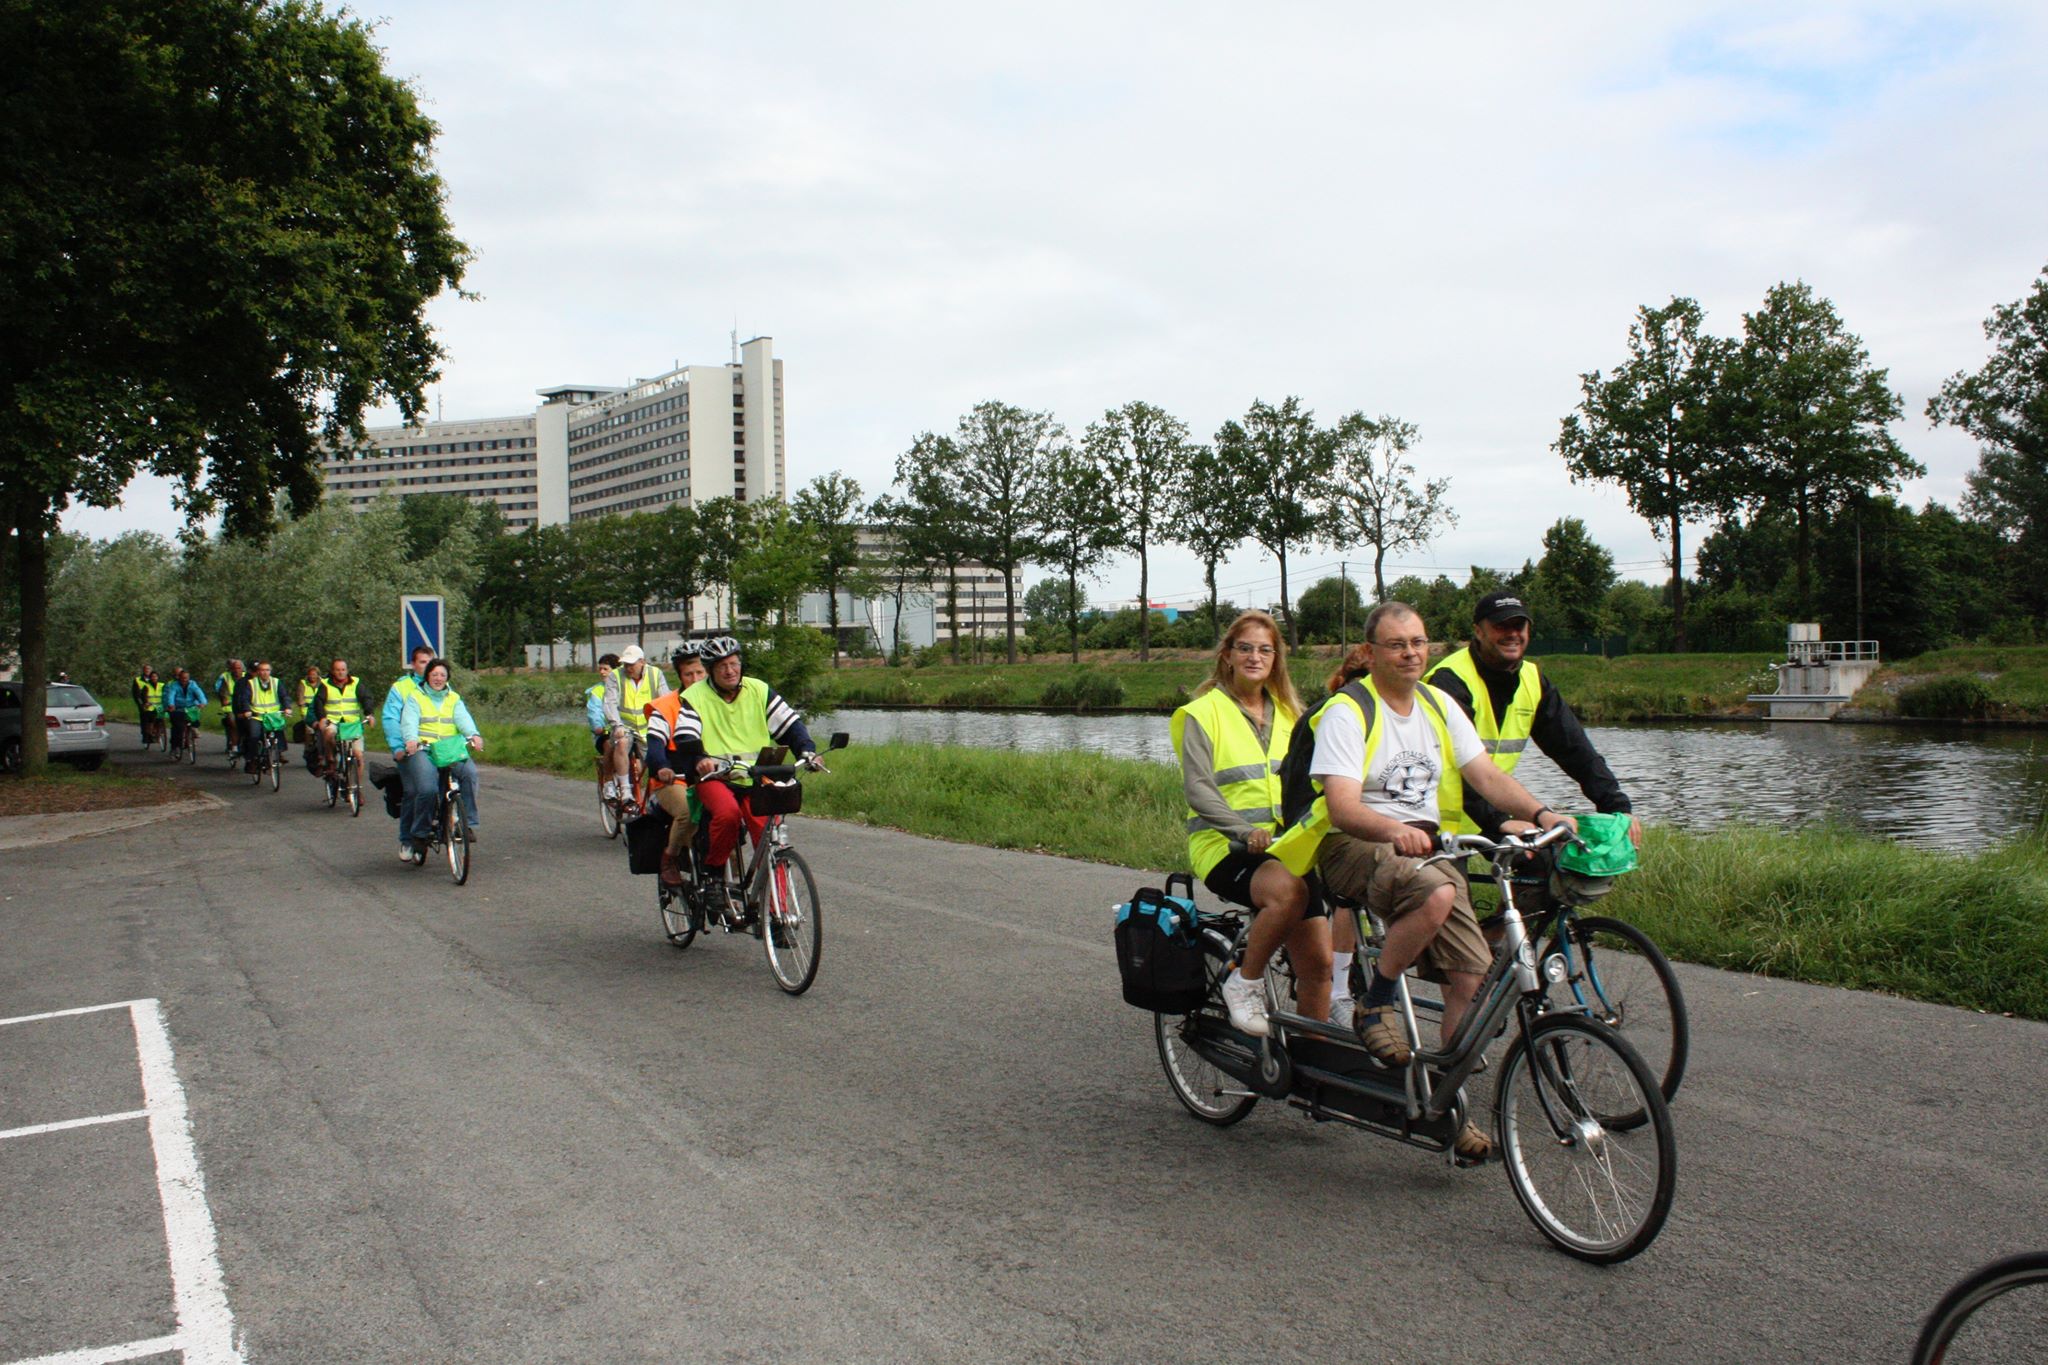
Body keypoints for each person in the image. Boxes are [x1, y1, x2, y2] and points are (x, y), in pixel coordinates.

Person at [1270, 602, 1573, 1163]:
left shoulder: (1438, 704)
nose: (1410, 653)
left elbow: (1483, 774)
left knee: (1471, 975)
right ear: (1370, 653)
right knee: (1439, 891)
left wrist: (1544, 815)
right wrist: (1395, 829)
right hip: (1355, 844)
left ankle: (1444, 1104)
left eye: (1418, 642)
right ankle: (1375, 1001)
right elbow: (1340, 808)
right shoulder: (1347, 711)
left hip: (1426, 850)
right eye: (1396, 644)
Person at [1169, 610, 1330, 1038]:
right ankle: (1245, 980)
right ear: (1228, 656)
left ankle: (1313, 1062)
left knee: (1319, 962)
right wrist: (1243, 831)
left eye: (1265, 649)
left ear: (1276, 659)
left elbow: (1311, 783)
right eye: (1246, 648)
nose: (1255, 657)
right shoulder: (1203, 714)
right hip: (1225, 848)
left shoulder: (1293, 715)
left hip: (1286, 848)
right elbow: (1199, 790)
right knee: (1288, 893)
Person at [1425, 591, 1639, 850]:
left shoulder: (1532, 680)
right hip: (1437, 822)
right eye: (1500, 626)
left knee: (1555, 862)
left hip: (1493, 810)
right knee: (1448, 890)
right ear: (1478, 632)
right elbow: (1454, 765)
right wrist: (1499, 821)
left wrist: (1615, 805)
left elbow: (1575, 749)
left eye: (1519, 625)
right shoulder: (1449, 680)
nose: (1512, 633)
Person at [668, 637, 817, 912]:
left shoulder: (758, 690)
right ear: (711, 669)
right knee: (727, 815)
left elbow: (789, 725)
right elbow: (686, 733)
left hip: (755, 777)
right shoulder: (695, 696)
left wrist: (807, 751)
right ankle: (713, 875)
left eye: (734, 663)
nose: (730, 670)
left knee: (767, 832)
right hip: (716, 778)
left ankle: (778, 914)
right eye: (723, 665)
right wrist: (700, 758)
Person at [642, 643, 710, 887]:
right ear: (680, 676)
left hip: (711, 777)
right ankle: (669, 858)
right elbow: (655, 743)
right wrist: (661, 765)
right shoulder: (666, 706)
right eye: (688, 674)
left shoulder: (717, 701)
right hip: (674, 778)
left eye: (700, 672)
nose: (695, 678)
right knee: (688, 812)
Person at [398, 658, 484, 850]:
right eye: (434, 674)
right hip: (424, 749)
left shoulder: (453, 698)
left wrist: (474, 735)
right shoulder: (416, 697)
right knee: (427, 789)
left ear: (447, 678)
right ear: (427, 675)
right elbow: (409, 721)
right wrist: (411, 740)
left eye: (442, 675)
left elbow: (464, 720)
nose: (438, 678)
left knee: (470, 774)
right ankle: (420, 832)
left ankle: (467, 823)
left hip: (450, 749)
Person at [383, 645, 434, 860]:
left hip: (436, 747)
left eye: (430, 662)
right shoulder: (401, 688)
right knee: (413, 792)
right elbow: (390, 718)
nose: (428, 666)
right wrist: (398, 747)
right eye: (423, 662)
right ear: (413, 664)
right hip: (410, 748)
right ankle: (407, 839)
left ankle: (454, 822)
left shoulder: (440, 684)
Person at [601, 644, 670, 804]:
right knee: (621, 743)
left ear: (642, 662)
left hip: (648, 727)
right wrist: (616, 725)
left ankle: (655, 798)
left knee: (654, 761)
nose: (628, 667)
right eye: (625, 664)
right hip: (625, 725)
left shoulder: (655, 674)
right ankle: (624, 790)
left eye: (631, 664)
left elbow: (665, 700)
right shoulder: (616, 676)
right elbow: (609, 703)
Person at [312, 658, 369, 783]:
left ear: (347, 670)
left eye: (343, 669)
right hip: (333, 721)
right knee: (328, 732)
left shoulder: (356, 683)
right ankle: (331, 758)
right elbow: (319, 702)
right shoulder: (325, 684)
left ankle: (357, 789)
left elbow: (366, 698)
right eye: (337, 670)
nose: (340, 672)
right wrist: (322, 718)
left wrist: (369, 714)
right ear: (333, 671)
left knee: (358, 756)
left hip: (351, 724)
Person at [232, 660, 293, 773]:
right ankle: (253, 759)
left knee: (279, 731)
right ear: (258, 672)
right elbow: (245, 698)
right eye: (262, 670)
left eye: (267, 670)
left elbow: (284, 696)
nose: (264, 673)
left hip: (273, 715)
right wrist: (247, 710)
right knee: (254, 735)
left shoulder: (276, 682)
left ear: (270, 671)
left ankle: (277, 753)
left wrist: (287, 707)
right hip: (257, 716)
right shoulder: (251, 683)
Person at [163, 667, 207, 755]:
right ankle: (176, 747)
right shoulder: (174, 685)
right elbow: (171, 695)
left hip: (190, 707)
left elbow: (200, 694)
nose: (184, 680)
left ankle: (193, 729)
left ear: (189, 678)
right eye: (182, 678)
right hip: (178, 708)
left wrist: (203, 703)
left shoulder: (193, 685)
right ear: (179, 677)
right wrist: (171, 705)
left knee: (195, 720)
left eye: (186, 678)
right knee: (177, 727)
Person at [585, 653, 620, 762]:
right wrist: (598, 727)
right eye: (600, 669)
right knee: (608, 747)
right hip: (605, 732)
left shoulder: (625, 687)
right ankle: (609, 778)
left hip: (625, 730)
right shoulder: (597, 691)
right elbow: (593, 712)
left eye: (605, 669)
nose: (602, 672)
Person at [213, 659, 246, 757]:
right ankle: (234, 746)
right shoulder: (225, 678)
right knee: (233, 722)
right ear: (230, 669)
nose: (236, 670)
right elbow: (223, 693)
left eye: (239, 668)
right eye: (234, 668)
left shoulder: (247, 678)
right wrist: (224, 699)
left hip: (245, 705)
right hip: (231, 707)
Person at [131, 665, 164, 748]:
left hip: (157, 704)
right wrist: (141, 704)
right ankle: (146, 736)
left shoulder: (158, 682)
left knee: (160, 717)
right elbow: (136, 694)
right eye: (146, 669)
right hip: (144, 703)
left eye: (149, 669)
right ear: (143, 670)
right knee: (145, 719)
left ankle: (157, 731)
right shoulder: (138, 680)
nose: (147, 671)